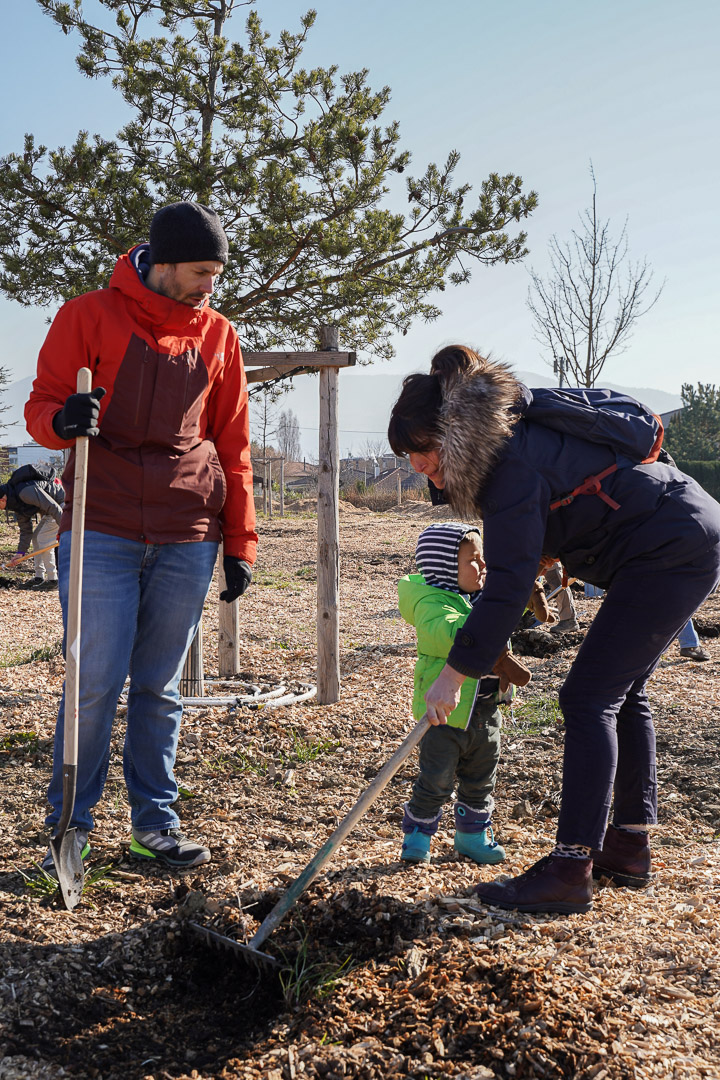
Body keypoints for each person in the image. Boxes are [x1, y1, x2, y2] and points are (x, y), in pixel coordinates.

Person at [388, 344, 720, 915]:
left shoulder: (507, 465)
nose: (417, 465)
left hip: (668, 549)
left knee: (588, 697)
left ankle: (570, 868)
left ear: (453, 431)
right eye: (408, 455)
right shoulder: (509, 448)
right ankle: (628, 844)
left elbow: (506, 588)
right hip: (682, 531)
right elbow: (558, 515)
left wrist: (455, 672)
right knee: (622, 692)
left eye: (423, 449)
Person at [25, 201, 257, 873]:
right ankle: (69, 827)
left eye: (216, 273)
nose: (209, 285)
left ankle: (154, 825)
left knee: (160, 687)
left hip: (188, 531)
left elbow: (233, 445)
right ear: (158, 263)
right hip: (102, 523)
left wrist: (240, 541)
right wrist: (63, 419)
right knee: (94, 682)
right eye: (199, 272)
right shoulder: (88, 316)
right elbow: (42, 406)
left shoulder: (218, 336)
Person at [398, 522, 530, 866]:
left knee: (481, 776)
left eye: (483, 557)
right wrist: (488, 620)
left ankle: (471, 836)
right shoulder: (431, 603)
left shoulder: (479, 599)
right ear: (444, 566)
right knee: (436, 778)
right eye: (473, 559)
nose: (482, 565)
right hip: (446, 715)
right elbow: (448, 634)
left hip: (486, 709)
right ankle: (417, 836)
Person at [0, 470, 64, 589]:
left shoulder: (25, 492)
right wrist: (20, 553)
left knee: (43, 538)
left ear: (2, 500)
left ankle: (53, 580)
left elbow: (54, 507)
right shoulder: (15, 503)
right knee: (36, 538)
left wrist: (65, 528)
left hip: (61, 505)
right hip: (50, 511)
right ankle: (39, 576)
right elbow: (26, 530)